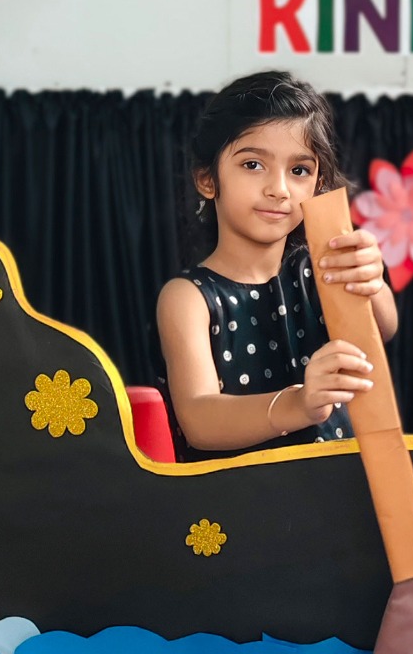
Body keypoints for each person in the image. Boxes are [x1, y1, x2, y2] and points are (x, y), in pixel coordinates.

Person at [157, 72, 397, 459]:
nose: (279, 189)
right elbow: (199, 421)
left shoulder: (322, 267)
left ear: (318, 183)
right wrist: (299, 404)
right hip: (243, 494)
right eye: (253, 164)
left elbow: (382, 329)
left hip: (341, 483)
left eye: (299, 171)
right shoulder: (188, 298)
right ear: (207, 179)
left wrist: (372, 281)